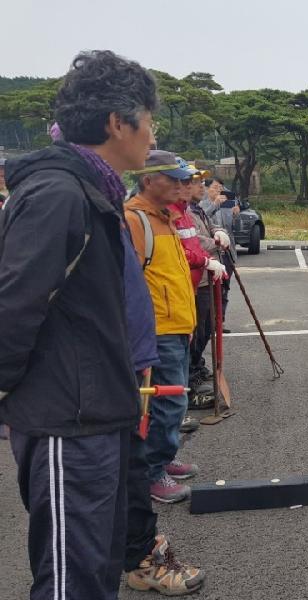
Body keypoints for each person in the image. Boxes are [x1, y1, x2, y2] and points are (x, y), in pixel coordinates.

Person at [0, 50, 155, 600]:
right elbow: (14, 306)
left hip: (94, 412)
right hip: (67, 418)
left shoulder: (93, 192)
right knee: (72, 581)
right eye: (149, 120)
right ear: (117, 123)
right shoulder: (59, 194)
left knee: (95, 571)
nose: (153, 134)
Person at [125, 150, 214, 503]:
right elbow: (128, 282)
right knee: (167, 404)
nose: (182, 186)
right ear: (149, 181)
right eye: (174, 179)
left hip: (175, 324)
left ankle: (162, 458)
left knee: (173, 402)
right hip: (157, 329)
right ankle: (152, 472)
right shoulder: (135, 220)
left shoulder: (166, 218)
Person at [188, 170, 229, 398]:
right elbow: (193, 241)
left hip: (208, 276)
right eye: (197, 184)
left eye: (203, 183)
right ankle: (191, 374)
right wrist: (215, 242)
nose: (201, 188)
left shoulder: (198, 210)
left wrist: (219, 231)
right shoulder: (184, 212)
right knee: (197, 329)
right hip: (197, 279)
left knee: (208, 325)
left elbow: (211, 226)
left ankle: (197, 365)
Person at [201, 177, 237, 330]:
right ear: (206, 189)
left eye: (220, 188)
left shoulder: (226, 205)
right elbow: (204, 219)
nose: (218, 191)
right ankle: (210, 322)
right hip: (212, 253)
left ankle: (219, 322)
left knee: (224, 288)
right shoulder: (201, 205)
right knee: (211, 289)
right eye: (215, 187)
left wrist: (234, 213)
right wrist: (215, 204)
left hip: (227, 253)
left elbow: (229, 227)